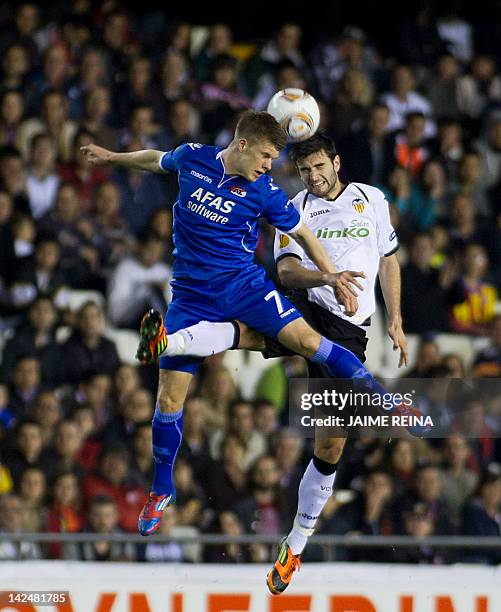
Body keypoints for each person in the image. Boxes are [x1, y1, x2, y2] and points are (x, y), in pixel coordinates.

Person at [134, 132, 411, 593]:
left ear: (337, 162)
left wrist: (396, 319)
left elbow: (389, 260)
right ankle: (172, 341)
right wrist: (326, 275)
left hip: (351, 328)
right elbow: (284, 271)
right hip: (308, 303)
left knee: (330, 448)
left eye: (319, 167)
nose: (313, 177)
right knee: (248, 333)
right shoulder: (291, 205)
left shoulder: (373, 200)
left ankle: (295, 546)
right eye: (304, 171)